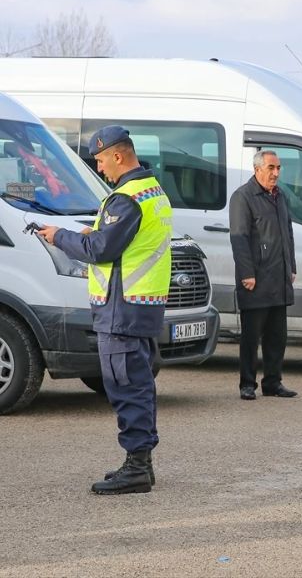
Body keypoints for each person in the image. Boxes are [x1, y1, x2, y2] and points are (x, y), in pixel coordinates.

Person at [37, 125, 172, 494]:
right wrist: (88, 233)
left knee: (127, 387)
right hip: (140, 306)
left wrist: (61, 237)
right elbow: (121, 242)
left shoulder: (126, 197)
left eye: (99, 160)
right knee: (137, 385)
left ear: (117, 155)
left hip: (122, 309)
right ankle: (139, 463)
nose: (99, 168)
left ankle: (138, 468)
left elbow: (101, 250)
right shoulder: (151, 191)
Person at [229, 150, 298, 401]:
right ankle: (248, 383)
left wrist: (291, 267)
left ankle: (273, 382)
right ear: (257, 169)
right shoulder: (243, 197)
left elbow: (287, 233)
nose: (276, 173)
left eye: (278, 168)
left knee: (277, 336)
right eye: (271, 168)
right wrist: (247, 273)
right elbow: (239, 238)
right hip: (255, 279)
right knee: (251, 337)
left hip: (278, 277)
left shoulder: (279, 197)